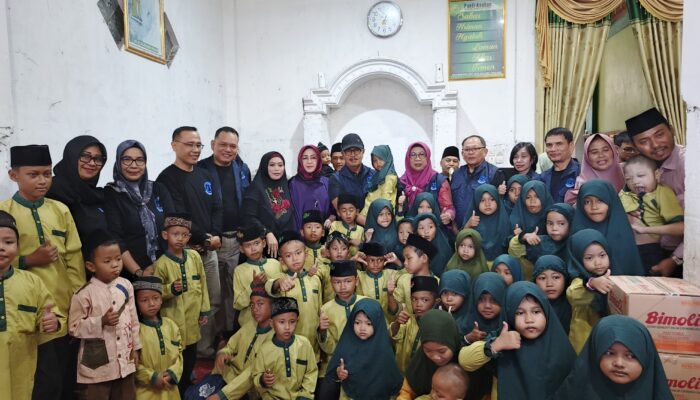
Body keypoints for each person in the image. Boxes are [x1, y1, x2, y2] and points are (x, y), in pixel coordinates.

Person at [1, 144, 85, 400]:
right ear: (14, 176)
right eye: (33, 174)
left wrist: (75, 305)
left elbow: (74, 259)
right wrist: (28, 260)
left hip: (57, 315)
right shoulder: (5, 213)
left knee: (56, 382)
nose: (42, 180)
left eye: (47, 174)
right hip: (19, 314)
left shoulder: (60, 210)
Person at [156, 126, 222, 359]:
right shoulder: (166, 178)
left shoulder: (205, 174)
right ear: (174, 145)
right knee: (183, 305)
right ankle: (181, 354)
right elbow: (175, 217)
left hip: (209, 250)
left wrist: (214, 235)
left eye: (198, 145)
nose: (195, 150)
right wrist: (205, 237)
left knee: (211, 301)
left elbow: (216, 207)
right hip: (182, 254)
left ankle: (204, 349)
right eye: (189, 144)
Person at [68, 230, 141, 399]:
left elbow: (133, 320)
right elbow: (74, 327)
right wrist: (101, 321)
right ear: (91, 266)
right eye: (107, 261)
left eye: (118, 259)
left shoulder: (126, 285)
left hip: (125, 361)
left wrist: (136, 349)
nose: (115, 265)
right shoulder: (84, 294)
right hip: (97, 366)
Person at [0, 211, 63, 400]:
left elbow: (53, 315)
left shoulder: (32, 283)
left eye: (8, 242)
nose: (1, 248)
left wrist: (54, 323)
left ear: (18, 247)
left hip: (22, 371)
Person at [198, 126, 251, 333]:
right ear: (213, 145)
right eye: (223, 145)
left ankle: (229, 336)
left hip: (237, 240)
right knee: (212, 295)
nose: (228, 149)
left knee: (233, 293)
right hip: (212, 240)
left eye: (233, 146)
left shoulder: (241, 169)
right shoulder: (200, 170)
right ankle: (208, 345)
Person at [153, 213, 210, 395]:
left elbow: (203, 284)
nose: (180, 238)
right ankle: (177, 389)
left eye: (184, 235)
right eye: (175, 234)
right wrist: (171, 289)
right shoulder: (161, 264)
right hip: (173, 323)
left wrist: (204, 311)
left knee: (191, 354)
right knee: (176, 358)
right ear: (165, 235)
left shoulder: (194, 257)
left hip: (192, 321)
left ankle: (186, 386)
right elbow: (154, 294)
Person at [554, 315, 674, 400]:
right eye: (609, 353)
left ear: (646, 357)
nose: (619, 363)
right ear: (595, 353)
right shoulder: (572, 393)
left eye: (631, 356)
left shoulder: (656, 393)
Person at [490, 282, 576, 399]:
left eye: (536, 312)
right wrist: (495, 346)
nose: (529, 320)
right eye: (519, 313)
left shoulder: (561, 348)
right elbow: (466, 362)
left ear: (546, 312)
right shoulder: (502, 341)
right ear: (509, 315)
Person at [626, 107, 685, 277]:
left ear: (672, 130)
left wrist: (675, 259)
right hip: (660, 252)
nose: (655, 145)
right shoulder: (642, 169)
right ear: (635, 146)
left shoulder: (687, 165)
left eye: (659, 134)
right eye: (644, 141)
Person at [105, 140, 175, 280]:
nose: (134, 165)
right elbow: (117, 239)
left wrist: (167, 264)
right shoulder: (112, 193)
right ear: (118, 162)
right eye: (127, 160)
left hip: (166, 267)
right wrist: (139, 272)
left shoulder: (157, 189)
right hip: (132, 273)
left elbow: (172, 225)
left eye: (139, 160)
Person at [207, 282, 275, 400]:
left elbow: (251, 373)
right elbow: (231, 346)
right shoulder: (249, 325)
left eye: (260, 304)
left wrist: (222, 395)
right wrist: (223, 353)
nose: (255, 309)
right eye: (252, 305)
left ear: (272, 306)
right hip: (229, 378)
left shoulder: (274, 338)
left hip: (248, 390)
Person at [327, 298, 404, 400]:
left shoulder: (383, 350)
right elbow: (334, 370)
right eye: (357, 322)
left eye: (368, 323)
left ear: (377, 323)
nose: (362, 328)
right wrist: (339, 372)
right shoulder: (347, 342)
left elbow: (393, 381)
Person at [620, 155, 684, 276]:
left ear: (657, 175)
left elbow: (680, 227)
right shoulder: (626, 193)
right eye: (629, 178)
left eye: (641, 176)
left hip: (652, 249)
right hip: (627, 247)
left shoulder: (663, 193)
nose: (635, 181)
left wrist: (645, 230)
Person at [47, 135, 109, 252]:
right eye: (85, 156)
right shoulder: (53, 191)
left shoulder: (99, 196)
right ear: (72, 156)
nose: (92, 163)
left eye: (98, 159)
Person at [265, 231, 323, 356]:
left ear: (306, 254)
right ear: (282, 261)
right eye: (288, 256)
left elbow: (319, 308)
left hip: (314, 341)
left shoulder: (315, 279)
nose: (295, 258)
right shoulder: (282, 278)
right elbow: (270, 285)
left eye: (298, 253)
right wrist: (279, 282)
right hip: (290, 342)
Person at [571, 180, 644, 276]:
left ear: (611, 201)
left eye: (600, 200)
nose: (594, 207)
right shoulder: (577, 233)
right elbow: (573, 272)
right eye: (587, 202)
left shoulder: (622, 232)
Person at [316, 260, 367, 399]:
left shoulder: (366, 304)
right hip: (334, 363)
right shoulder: (326, 309)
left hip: (364, 361)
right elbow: (329, 348)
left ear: (356, 281)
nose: (343, 287)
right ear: (331, 283)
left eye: (347, 281)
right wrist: (322, 331)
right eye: (337, 282)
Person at [251, 297, 318, 399]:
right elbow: (256, 376)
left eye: (292, 321)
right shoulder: (264, 350)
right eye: (281, 322)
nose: (287, 327)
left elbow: (311, 372)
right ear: (272, 323)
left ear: (297, 321)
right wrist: (262, 380)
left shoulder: (304, 344)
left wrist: (304, 396)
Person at [133, 276, 183, 400]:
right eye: (144, 300)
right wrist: (152, 377)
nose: (151, 304)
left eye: (156, 298)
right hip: (146, 391)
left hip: (170, 389)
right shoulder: (135, 330)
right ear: (136, 303)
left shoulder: (171, 325)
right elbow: (132, 363)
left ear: (161, 300)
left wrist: (173, 373)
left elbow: (180, 354)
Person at [566, 229, 614, 353]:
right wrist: (592, 283)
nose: (598, 263)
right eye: (589, 258)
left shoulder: (613, 274)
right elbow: (573, 294)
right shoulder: (579, 279)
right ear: (578, 259)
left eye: (602, 255)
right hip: (584, 336)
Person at [398, 309, 462, 399]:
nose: (435, 357)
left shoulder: (467, 363)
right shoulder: (419, 362)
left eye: (442, 351)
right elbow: (406, 393)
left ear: (453, 343)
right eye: (428, 350)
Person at [242, 151, 294, 258]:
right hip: (266, 246)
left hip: (287, 244)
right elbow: (249, 217)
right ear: (265, 166)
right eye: (272, 165)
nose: (277, 168)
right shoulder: (255, 188)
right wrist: (267, 233)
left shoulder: (287, 185)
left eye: (280, 165)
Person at [232, 224, 283, 328]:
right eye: (247, 245)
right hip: (250, 324)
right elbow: (237, 304)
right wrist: (253, 286)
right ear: (241, 249)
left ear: (264, 243)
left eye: (256, 243)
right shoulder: (239, 270)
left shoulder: (275, 263)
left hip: (276, 322)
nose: (253, 248)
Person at [451, 135, 505, 227]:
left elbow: (499, 207)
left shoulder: (495, 173)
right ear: (462, 153)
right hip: (457, 231)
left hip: (483, 230)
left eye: (475, 148)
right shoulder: (456, 174)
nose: (471, 152)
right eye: (467, 150)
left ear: (485, 152)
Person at [400, 142, 455, 230]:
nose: (417, 158)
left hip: (433, 231)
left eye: (422, 154)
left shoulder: (439, 180)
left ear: (427, 157)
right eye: (413, 155)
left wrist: (448, 215)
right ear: (408, 158)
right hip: (409, 232)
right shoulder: (402, 182)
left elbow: (449, 208)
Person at [391, 276, 439, 374]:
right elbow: (393, 336)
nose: (418, 304)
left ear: (436, 301)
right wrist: (397, 323)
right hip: (402, 374)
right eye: (414, 299)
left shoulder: (438, 326)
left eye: (425, 300)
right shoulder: (408, 319)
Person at [564, 133, 624, 205]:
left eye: (605, 150)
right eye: (594, 152)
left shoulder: (627, 173)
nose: (601, 155)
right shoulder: (582, 184)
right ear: (587, 157)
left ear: (614, 151)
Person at [329, 133, 375, 225]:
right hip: (349, 231)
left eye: (357, 150)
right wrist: (371, 225)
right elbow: (342, 209)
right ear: (343, 154)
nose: (353, 155)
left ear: (363, 152)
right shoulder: (336, 179)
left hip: (375, 226)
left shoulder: (374, 174)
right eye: (349, 151)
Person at [508, 203, 574, 265]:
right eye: (550, 223)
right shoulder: (538, 242)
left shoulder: (576, 245)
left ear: (571, 224)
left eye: (561, 224)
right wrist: (523, 237)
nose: (554, 228)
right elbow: (514, 251)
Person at [388, 234, 437, 316]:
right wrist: (390, 295)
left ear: (424, 258)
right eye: (404, 259)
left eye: (409, 258)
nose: (405, 263)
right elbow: (395, 311)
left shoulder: (437, 282)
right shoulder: (404, 280)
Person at [464, 184, 511, 262]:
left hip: (501, 264)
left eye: (492, 199)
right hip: (477, 263)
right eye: (482, 200)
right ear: (476, 202)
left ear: (497, 200)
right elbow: (461, 241)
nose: (487, 204)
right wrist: (468, 225)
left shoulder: (504, 218)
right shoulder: (473, 220)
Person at [289, 145, 331, 231]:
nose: (309, 161)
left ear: (318, 160)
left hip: (323, 239)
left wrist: (330, 219)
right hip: (298, 238)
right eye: (305, 158)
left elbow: (334, 211)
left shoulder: (327, 182)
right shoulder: (292, 184)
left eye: (313, 158)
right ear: (300, 160)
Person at [356, 242, 397, 320]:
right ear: (365, 260)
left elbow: (407, 274)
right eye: (371, 260)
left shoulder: (391, 274)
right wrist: (353, 259)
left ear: (385, 260)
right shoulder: (359, 275)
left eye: (380, 260)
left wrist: (397, 261)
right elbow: (340, 273)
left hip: (388, 323)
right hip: (364, 322)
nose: (376, 264)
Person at [532, 255, 571, 335]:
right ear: (535, 281)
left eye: (556, 277)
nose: (549, 284)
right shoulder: (530, 307)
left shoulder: (575, 306)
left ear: (565, 279)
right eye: (542, 278)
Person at [539, 128, 580, 203]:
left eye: (559, 144)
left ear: (571, 146)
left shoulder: (581, 175)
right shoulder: (542, 178)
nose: (553, 149)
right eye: (549, 145)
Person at [361, 144, 399, 217]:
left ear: (387, 158)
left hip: (380, 214)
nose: (378, 163)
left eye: (381, 159)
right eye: (375, 160)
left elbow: (386, 198)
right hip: (371, 211)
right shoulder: (377, 175)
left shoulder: (390, 176)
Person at [438, 270, 472, 336]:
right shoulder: (436, 311)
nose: (448, 299)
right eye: (445, 293)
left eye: (454, 293)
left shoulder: (472, 320)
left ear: (465, 294)